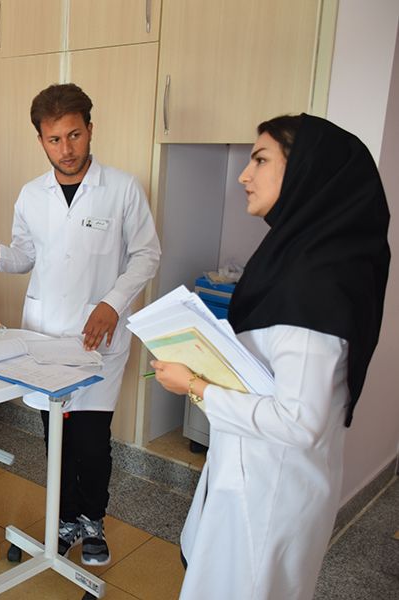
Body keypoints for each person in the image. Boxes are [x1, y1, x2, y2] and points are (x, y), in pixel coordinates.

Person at [150, 114, 390, 600]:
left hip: (270, 494)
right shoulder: (298, 256)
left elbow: (300, 421)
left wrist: (195, 386)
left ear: (306, 170)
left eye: (260, 160)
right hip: (253, 474)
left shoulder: (315, 282)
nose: (244, 175)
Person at [0, 83, 161, 566]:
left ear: (90, 129)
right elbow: (26, 255)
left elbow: (146, 255)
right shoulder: (32, 195)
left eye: (74, 135)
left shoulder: (122, 189)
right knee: (57, 438)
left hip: (98, 338)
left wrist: (113, 303)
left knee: (92, 442)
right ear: (41, 140)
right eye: (54, 139)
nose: (66, 149)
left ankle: (93, 520)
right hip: (45, 335)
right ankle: (66, 518)